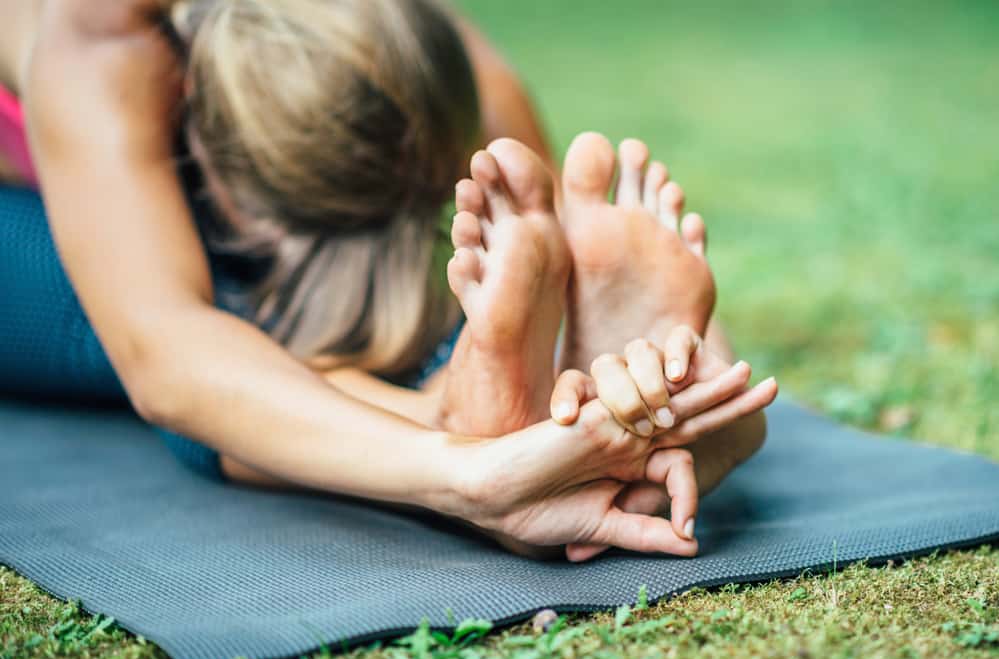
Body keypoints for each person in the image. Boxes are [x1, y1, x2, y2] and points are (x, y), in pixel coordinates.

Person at [0, 0, 775, 560]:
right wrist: (468, 477)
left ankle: (485, 400)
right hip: (24, 205)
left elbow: (588, 249)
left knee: (461, 279)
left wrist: (696, 395)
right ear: (193, 104)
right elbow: (163, 351)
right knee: (167, 319)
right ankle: (445, 403)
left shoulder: (424, 45)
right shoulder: (102, 30)